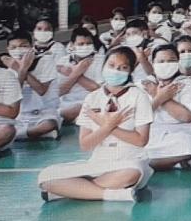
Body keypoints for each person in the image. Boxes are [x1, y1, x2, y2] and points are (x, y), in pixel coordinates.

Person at [37, 47, 154, 203]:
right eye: (111, 65)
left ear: (130, 70)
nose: (116, 70)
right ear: (103, 66)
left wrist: (109, 125)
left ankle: (71, 191)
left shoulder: (139, 96)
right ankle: (112, 194)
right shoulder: (92, 98)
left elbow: (141, 140)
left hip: (130, 160)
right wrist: (107, 127)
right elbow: (85, 145)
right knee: (46, 178)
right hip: (98, 162)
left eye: (123, 67)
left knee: (131, 173)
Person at [142, 44, 191, 170]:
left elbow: (187, 117)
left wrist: (162, 98)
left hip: (180, 133)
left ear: (178, 61)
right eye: (161, 61)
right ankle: (168, 163)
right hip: (151, 134)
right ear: (152, 63)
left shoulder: (186, 84)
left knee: (187, 145)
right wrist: (158, 98)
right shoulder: (144, 84)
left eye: (171, 60)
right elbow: (138, 117)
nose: (166, 64)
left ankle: (149, 164)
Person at [3, 29, 61, 140]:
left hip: (44, 113)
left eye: (23, 46)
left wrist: (20, 69)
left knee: (49, 125)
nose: (18, 50)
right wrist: (21, 70)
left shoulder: (45, 61)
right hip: (21, 116)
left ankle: (18, 136)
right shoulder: (8, 71)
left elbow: (41, 90)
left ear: (32, 46)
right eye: (13, 47)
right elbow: (14, 95)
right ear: (8, 50)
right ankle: (32, 134)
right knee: (1, 127)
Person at [58, 27, 104, 124]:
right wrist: (77, 72)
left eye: (89, 43)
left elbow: (97, 88)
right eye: (81, 44)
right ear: (72, 45)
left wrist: (73, 72)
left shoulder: (101, 60)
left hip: (90, 100)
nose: (85, 46)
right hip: (65, 102)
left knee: (78, 109)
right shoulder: (63, 61)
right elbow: (60, 91)